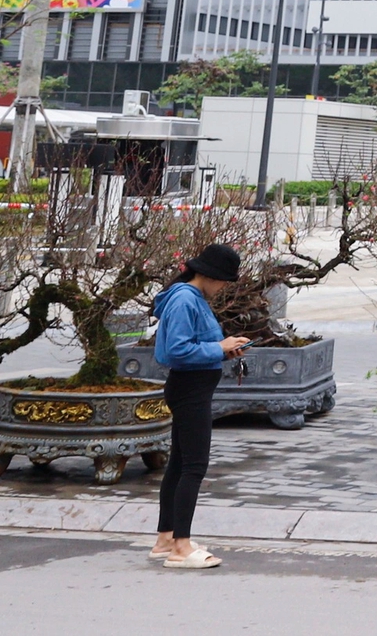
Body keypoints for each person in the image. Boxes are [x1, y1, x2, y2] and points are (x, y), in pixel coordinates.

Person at [149, 244, 249, 570]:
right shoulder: (184, 300)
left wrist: (223, 350)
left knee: (179, 465)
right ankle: (181, 547)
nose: (223, 287)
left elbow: (193, 346)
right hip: (190, 389)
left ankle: (167, 538)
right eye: (222, 281)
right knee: (194, 467)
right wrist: (219, 347)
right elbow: (177, 350)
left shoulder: (190, 299)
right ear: (206, 274)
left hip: (192, 388)